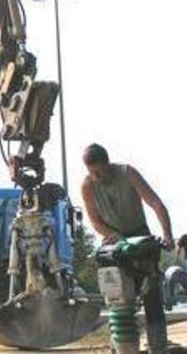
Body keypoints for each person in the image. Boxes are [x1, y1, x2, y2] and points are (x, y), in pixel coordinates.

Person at [80, 143, 173, 353]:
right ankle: (121, 346)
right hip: (114, 240)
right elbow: (95, 221)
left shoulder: (127, 173)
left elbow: (156, 203)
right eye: (91, 172)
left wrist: (167, 235)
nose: (96, 175)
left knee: (151, 294)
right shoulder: (87, 185)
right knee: (118, 297)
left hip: (140, 235)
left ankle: (158, 346)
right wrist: (116, 237)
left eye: (98, 170)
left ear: (107, 163)